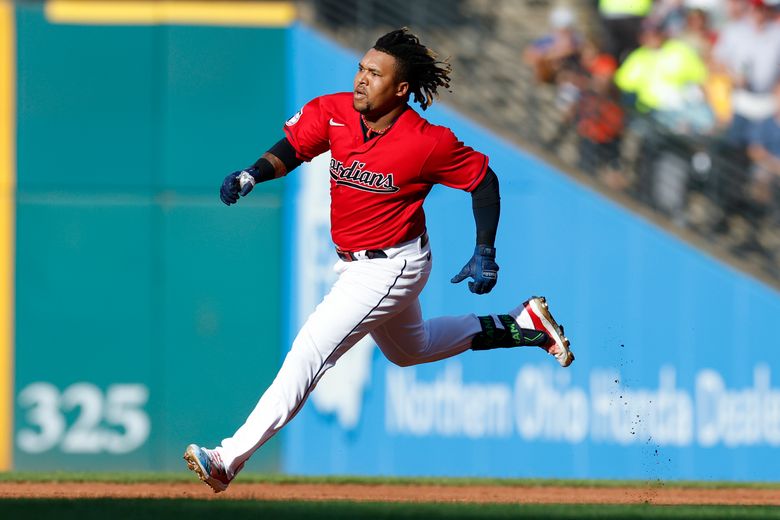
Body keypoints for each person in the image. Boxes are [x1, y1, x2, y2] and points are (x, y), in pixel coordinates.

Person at [182, 28, 574, 493]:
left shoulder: (427, 141)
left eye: (375, 73)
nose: (361, 80)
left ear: (401, 89)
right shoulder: (334, 111)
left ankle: (227, 458)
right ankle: (518, 323)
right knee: (411, 350)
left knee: (309, 352)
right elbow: (295, 147)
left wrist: (485, 248)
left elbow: (483, 179)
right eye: (361, 69)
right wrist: (254, 172)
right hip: (355, 261)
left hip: (393, 265)